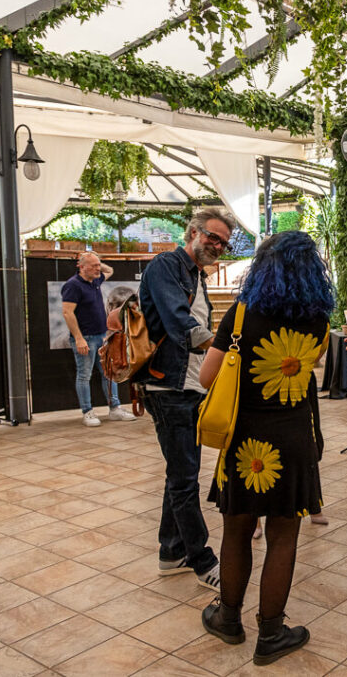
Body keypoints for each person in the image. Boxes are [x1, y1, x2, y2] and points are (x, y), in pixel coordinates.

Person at [198, 231, 333, 664]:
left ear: (263, 267)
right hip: (294, 440)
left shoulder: (240, 315)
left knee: (236, 532)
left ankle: (229, 619)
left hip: (243, 441)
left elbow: (206, 378)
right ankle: (271, 633)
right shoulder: (319, 320)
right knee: (282, 537)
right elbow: (307, 374)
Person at [135, 207, 233, 593]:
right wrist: (227, 349)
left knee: (180, 473)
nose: (217, 245)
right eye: (212, 236)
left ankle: (171, 551)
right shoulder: (166, 266)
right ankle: (202, 560)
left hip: (190, 387)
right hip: (168, 388)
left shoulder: (195, 275)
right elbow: (181, 325)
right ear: (192, 231)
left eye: (223, 242)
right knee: (184, 478)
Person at [60, 252, 137, 427]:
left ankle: (115, 408)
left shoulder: (95, 281)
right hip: (85, 337)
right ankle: (87, 412)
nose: (98, 269)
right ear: (81, 267)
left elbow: (109, 270)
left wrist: (94, 261)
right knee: (84, 375)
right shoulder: (73, 285)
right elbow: (67, 312)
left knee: (108, 373)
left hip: (102, 336)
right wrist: (79, 339)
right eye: (93, 266)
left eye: (98, 265)